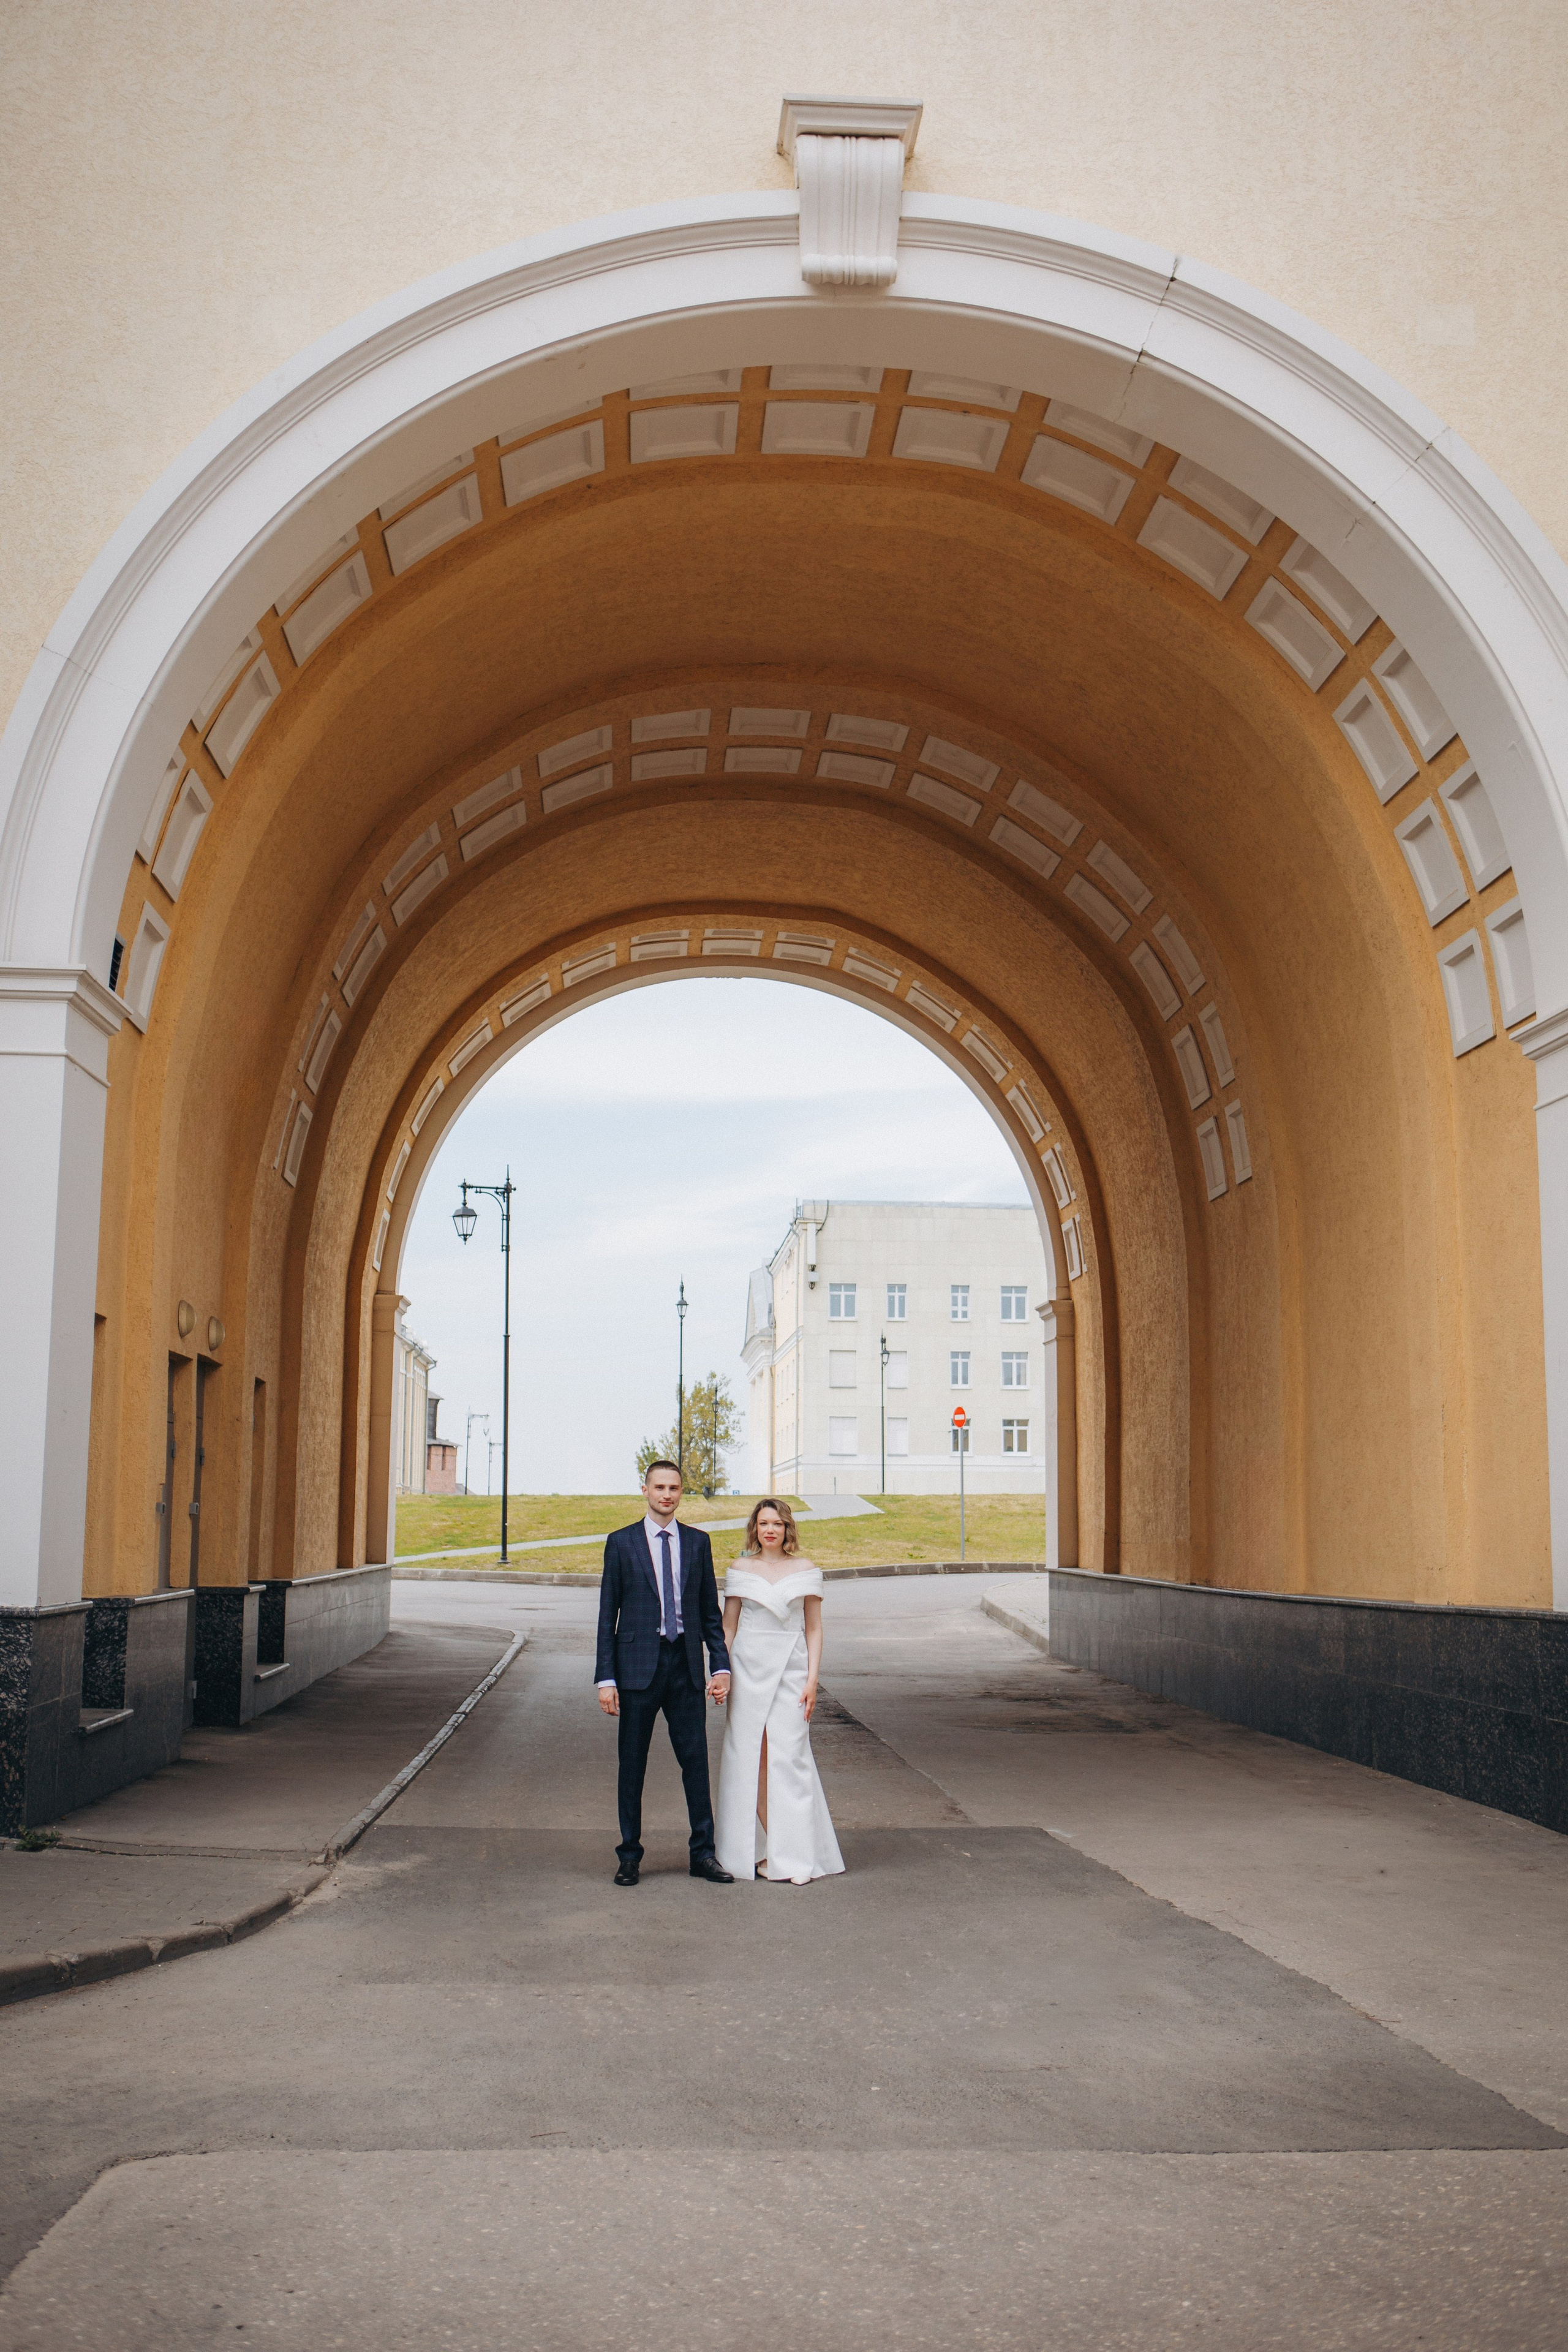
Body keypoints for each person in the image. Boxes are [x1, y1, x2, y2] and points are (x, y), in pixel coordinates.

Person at [595, 1460, 733, 1887]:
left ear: (681, 1492)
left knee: (696, 1763)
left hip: (685, 1667)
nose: (667, 1495)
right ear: (645, 1490)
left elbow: (710, 1614)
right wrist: (606, 1679)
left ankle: (703, 1855)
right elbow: (607, 1615)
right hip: (637, 1670)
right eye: (659, 1487)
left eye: (674, 1488)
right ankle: (629, 1856)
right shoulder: (621, 1543)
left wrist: (720, 1665)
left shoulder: (697, 1542)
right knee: (632, 1765)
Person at [714, 1498, 845, 1885]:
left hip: (792, 1670)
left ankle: (796, 1855)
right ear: (754, 1529)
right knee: (749, 1757)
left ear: (787, 1528)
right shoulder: (740, 1569)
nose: (770, 1530)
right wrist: (721, 1671)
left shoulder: (805, 1569)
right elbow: (728, 1626)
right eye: (763, 1523)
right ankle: (767, 1849)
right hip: (747, 1670)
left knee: (791, 1757)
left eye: (777, 1524)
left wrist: (812, 1680)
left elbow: (814, 1628)